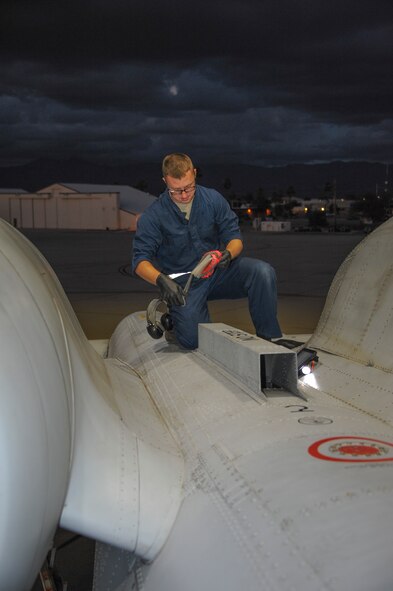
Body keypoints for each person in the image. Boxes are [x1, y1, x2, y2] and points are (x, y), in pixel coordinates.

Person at [132, 153, 282, 349]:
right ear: (164, 181)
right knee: (193, 341)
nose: (184, 195)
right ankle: (175, 325)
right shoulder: (153, 216)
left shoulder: (212, 199)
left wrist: (229, 253)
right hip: (184, 286)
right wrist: (161, 280)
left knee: (263, 272)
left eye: (188, 187)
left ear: (194, 173)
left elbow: (234, 237)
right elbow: (139, 261)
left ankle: (269, 339)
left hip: (217, 272)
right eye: (176, 191)